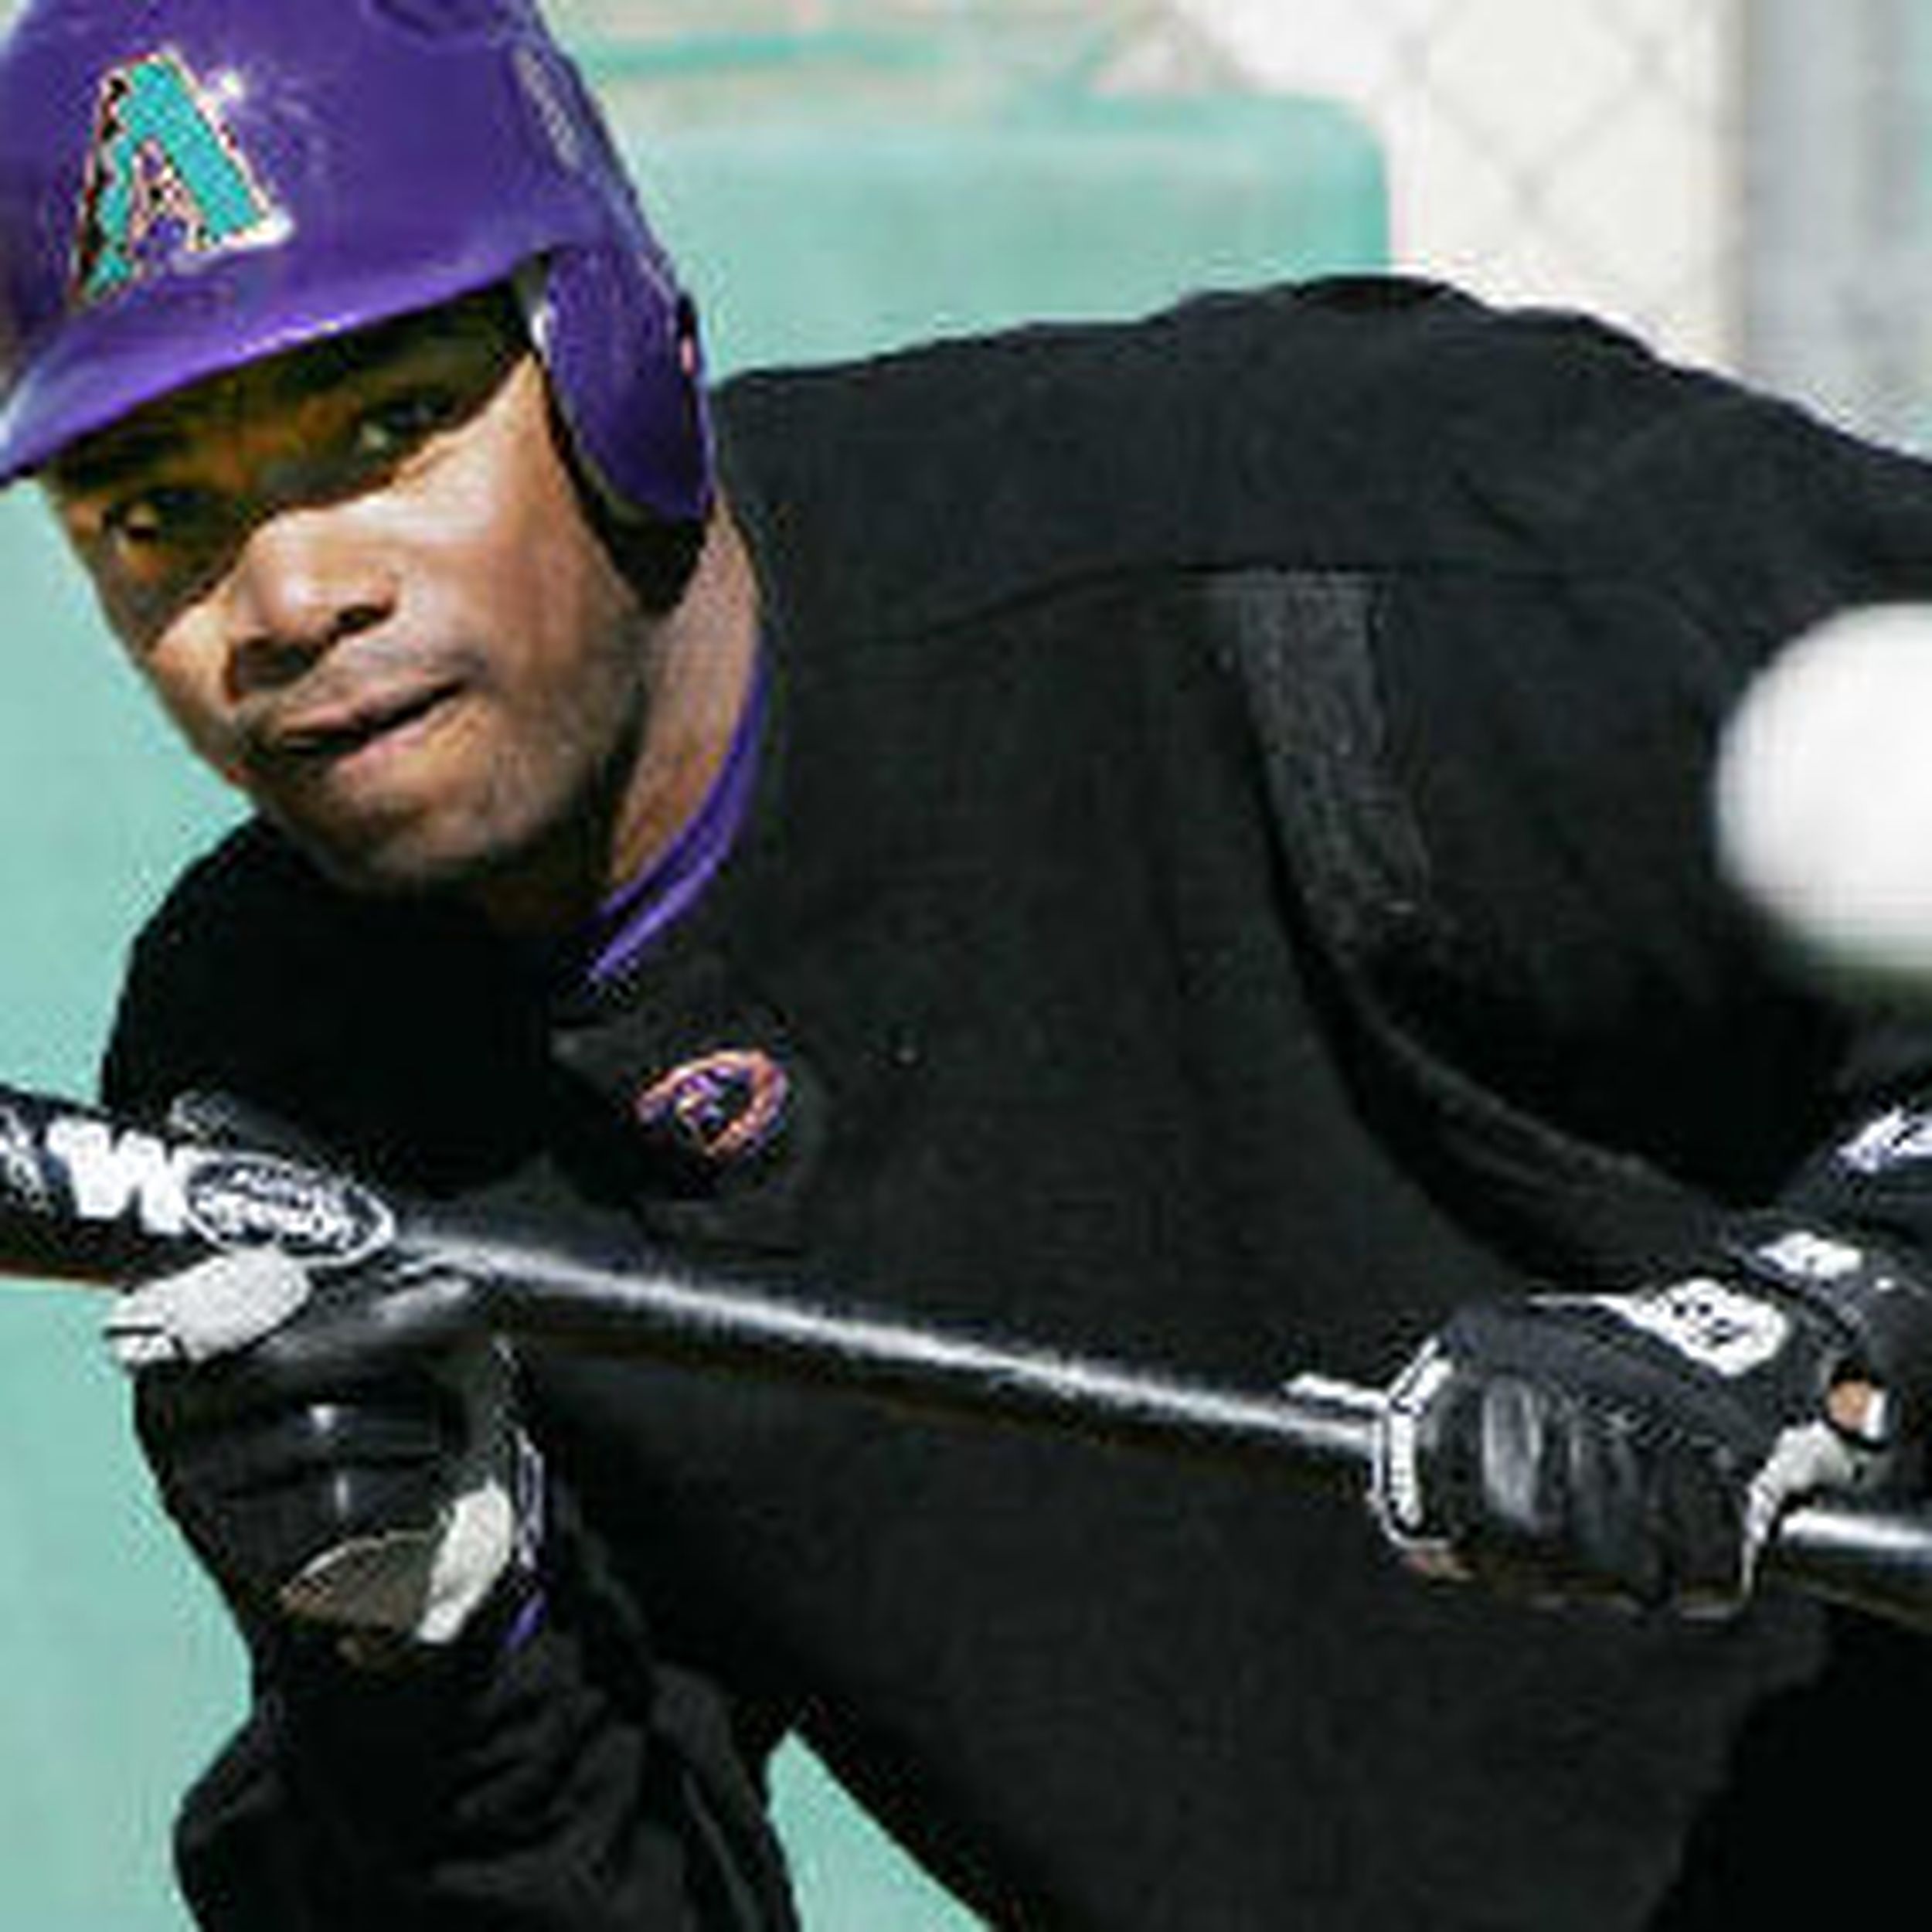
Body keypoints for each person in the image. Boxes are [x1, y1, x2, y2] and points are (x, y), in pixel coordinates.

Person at [7, 0, 1932, 1925]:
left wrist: (1825, 1325)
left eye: (387, 425)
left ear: (615, 354)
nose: (286, 597)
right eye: (158, 512)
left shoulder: (1325, 570)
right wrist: (430, 1666)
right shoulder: (290, 1063)